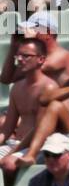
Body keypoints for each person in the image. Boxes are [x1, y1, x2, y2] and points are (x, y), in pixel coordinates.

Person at [0, 36, 57, 171]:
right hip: (15, 144)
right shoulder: (17, 88)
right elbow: (8, 127)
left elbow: (39, 129)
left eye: (26, 56)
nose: (20, 59)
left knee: (8, 163)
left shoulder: (49, 88)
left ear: (41, 59)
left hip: (39, 146)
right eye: (18, 55)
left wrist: (10, 153)